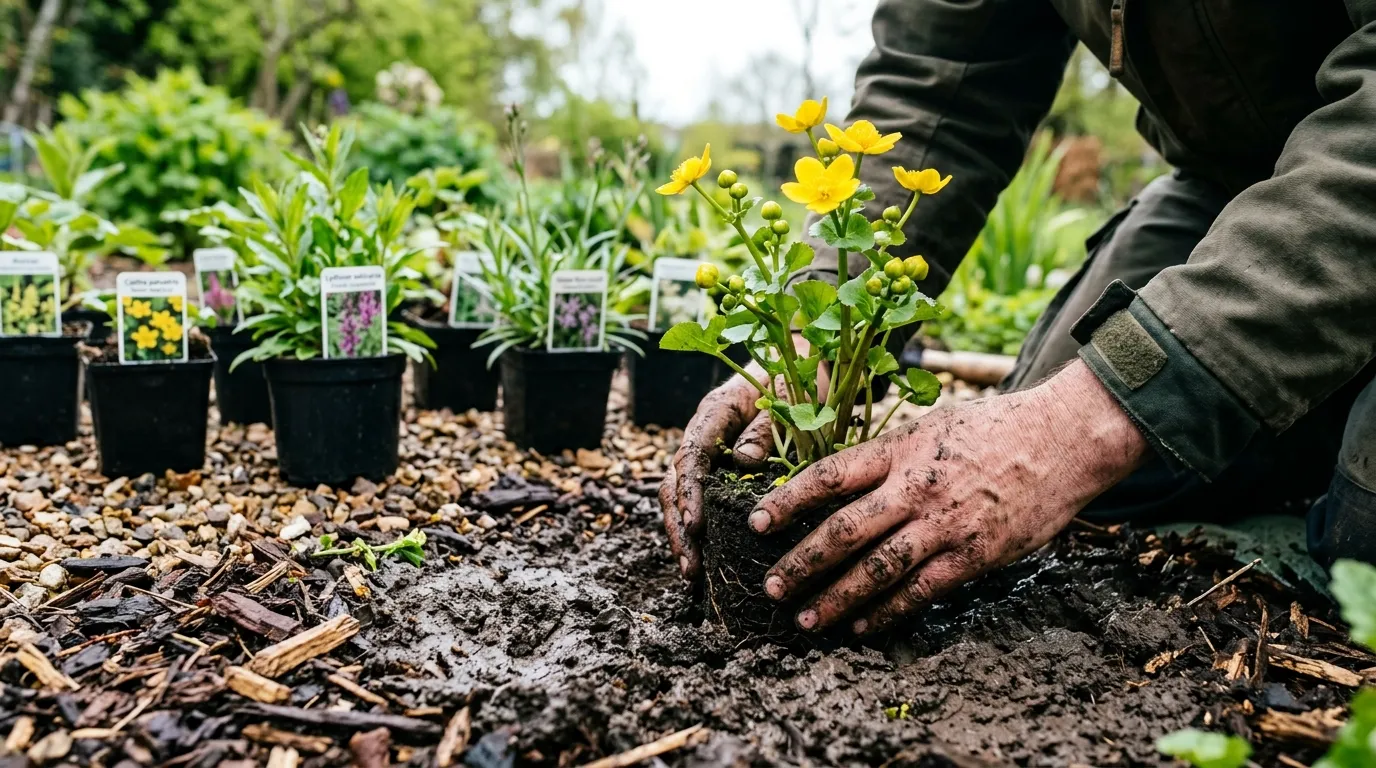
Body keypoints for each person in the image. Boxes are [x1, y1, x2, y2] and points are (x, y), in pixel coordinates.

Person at [659, 0, 1376, 638]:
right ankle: (1314, 395)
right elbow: (939, 82)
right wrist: (815, 337)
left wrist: (1083, 421)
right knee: (1065, 478)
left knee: (1362, 545)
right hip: (1232, 187)